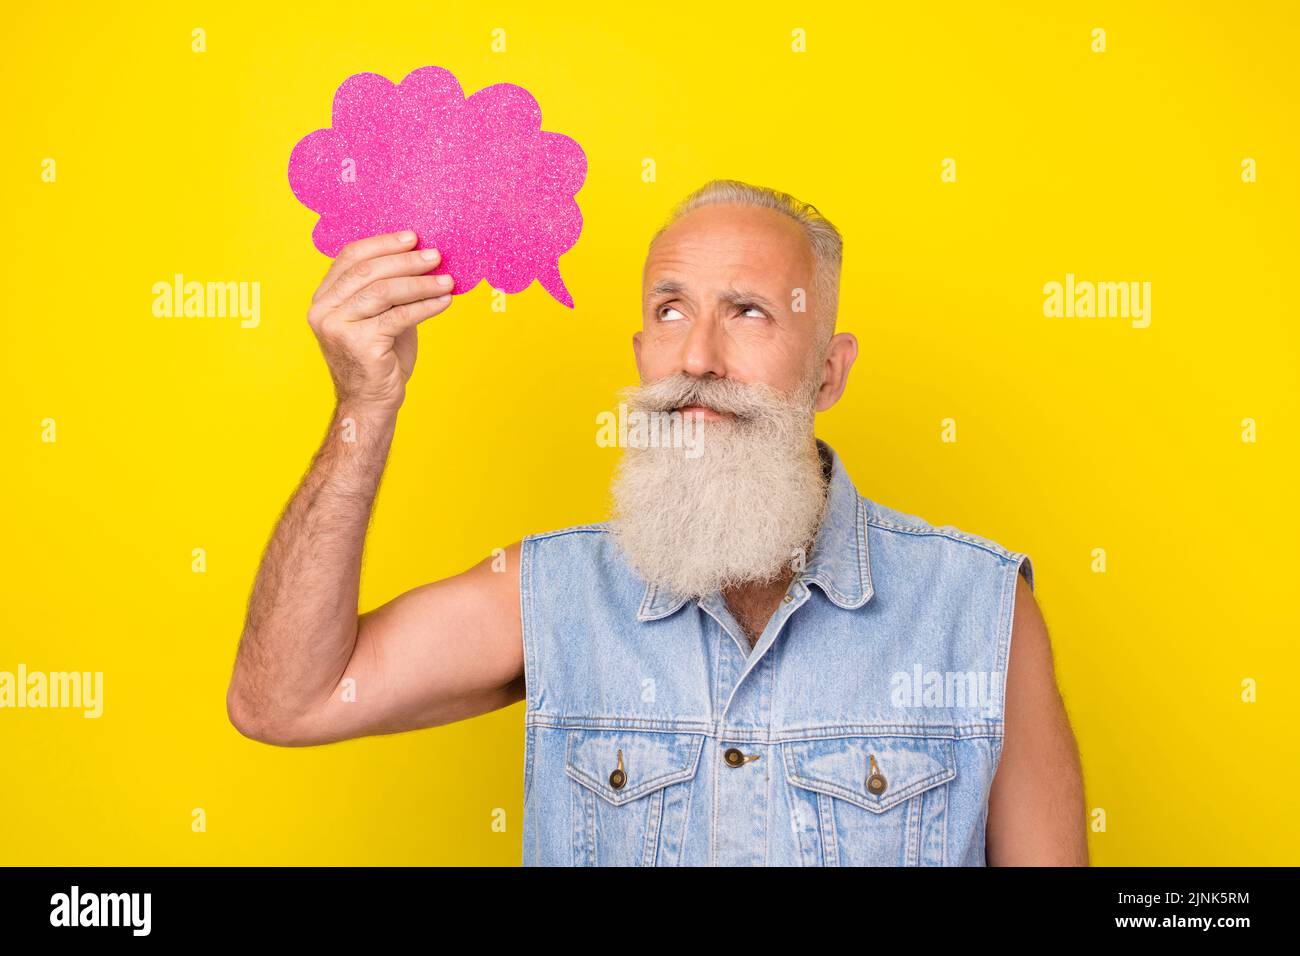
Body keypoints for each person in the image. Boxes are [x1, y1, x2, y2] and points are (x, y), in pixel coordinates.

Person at [226, 178, 1088, 866]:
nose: (699, 357)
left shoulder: (978, 609)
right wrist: (366, 403)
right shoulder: (552, 594)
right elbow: (284, 702)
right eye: (671, 311)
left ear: (828, 373)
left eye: (749, 311)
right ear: (640, 356)